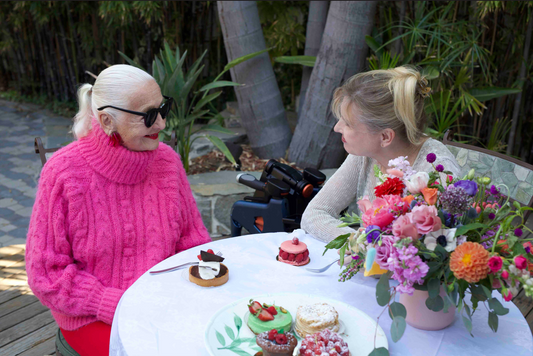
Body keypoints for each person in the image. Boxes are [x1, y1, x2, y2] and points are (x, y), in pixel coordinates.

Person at [26, 65, 211, 356]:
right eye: (148, 116)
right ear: (107, 120)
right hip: (93, 316)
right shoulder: (63, 173)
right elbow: (47, 274)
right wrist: (115, 303)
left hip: (164, 305)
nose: (161, 124)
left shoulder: (168, 162)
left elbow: (193, 241)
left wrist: (196, 285)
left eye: (163, 108)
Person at [301, 66, 461, 243]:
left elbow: (445, 244)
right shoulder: (364, 155)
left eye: (347, 123)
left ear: (385, 137)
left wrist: (370, 249)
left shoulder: (437, 169)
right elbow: (314, 213)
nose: (337, 128)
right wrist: (360, 245)